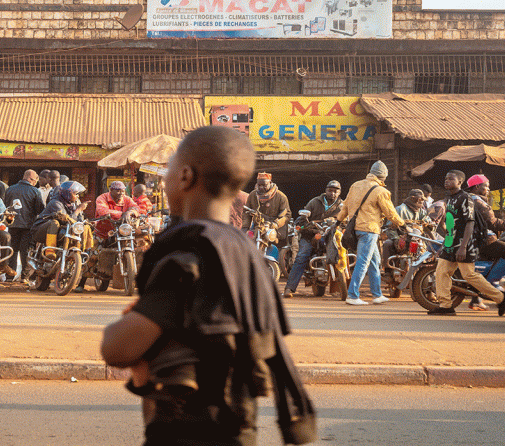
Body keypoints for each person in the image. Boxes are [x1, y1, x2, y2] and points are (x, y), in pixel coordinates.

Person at [100, 126, 316, 446]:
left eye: (169, 169)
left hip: (186, 431)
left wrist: (131, 325)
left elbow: (116, 349)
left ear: (185, 176)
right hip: (238, 426)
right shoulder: (243, 251)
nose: (164, 178)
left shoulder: (189, 253)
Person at [427, 170, 505, 317]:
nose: (446, 181)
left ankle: (501, 297)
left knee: (469, 275)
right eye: (446, 178)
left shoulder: (465, 198)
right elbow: (450, 223)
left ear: (460, 182)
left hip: (464, 243)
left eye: (451, 179)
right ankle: (446, 305)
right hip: (450, 242)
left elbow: (469, 223)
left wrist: (463, 247)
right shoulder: (450, 199)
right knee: (441, 272)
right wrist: (444, 243)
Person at [336, 161, 404, 306]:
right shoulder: (381, 191)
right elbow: (390, 212)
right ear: (383, 177)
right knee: (363, 262)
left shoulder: (356, 185)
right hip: (370, 230)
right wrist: (402, 224)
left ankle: (377, 295)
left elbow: (345, 206)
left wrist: (338, 221)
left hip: (356, 228)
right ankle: (352, 295)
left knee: (374, 261)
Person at [464, 174, 505, 311]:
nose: (488, 189)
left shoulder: (467, 199)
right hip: (485, 241)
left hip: (473, 240)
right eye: (486, 186)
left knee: (485, 269)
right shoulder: (479, 202)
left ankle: (476, 300)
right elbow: (494, 223)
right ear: (477, 187)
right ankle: (491, 284)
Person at [284, 180, 342, 298]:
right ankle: (289, 288)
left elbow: (346, 219)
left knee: (342, 254)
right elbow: (302, 219)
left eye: (335, 191)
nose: (332, 193)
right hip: (310, 235)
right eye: (330, 190)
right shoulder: (315, 202)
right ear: (326, 190)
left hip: (330, 235)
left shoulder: (341, 205)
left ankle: (347, 288)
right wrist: (310, 226)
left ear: (339, 192)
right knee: (302, 256)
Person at [3, 169, 44, 283]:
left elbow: (5, 206)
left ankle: (10, 276)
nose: (36, 182)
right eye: (36, 179)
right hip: (28, 225)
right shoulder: (34, 191)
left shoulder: (10, 189)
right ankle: (24, 277)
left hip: (12, 224)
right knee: (26, 251)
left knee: (12, 250)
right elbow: (39, 209)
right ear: (31, 179)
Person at [245, 171, 291, 251]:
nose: (261, 187)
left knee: (276, 248)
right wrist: (245, 228)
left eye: (264, 185)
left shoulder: (281, 196)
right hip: (259, 228)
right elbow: (246, 212)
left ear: (270, 183)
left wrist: (277, 224)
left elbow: (287, 215)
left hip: (275, 229)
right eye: (259, 185)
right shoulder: (252, 195)